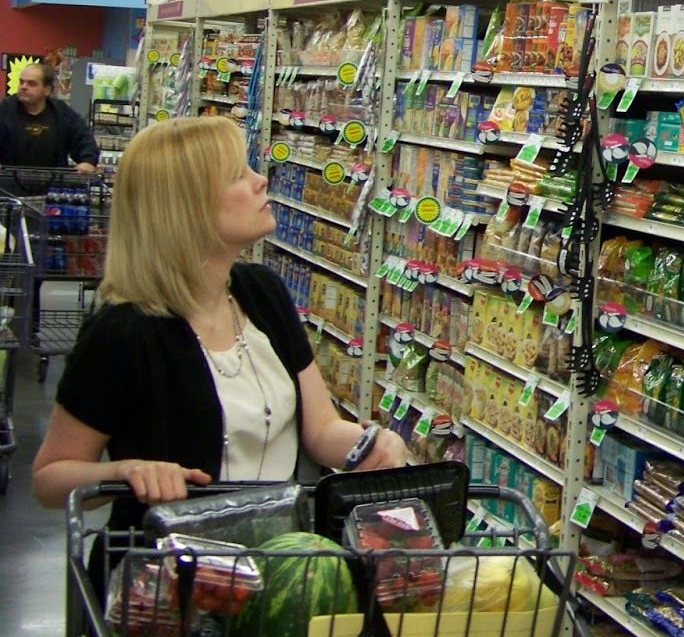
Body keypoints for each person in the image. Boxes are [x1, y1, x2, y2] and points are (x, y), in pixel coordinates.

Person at [33, 116, 405, 520]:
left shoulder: (263, 292)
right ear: (186, 206)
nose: (260, 180)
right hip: (172, 566)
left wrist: (370, 444)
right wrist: (124, 471)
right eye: (236, 175)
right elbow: (50, 479)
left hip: (276, 555)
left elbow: (320, 430)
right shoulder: (122, 331)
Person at [0, 62, 100, 175]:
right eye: (21, 82)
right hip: (9, 185)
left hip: (54, 185)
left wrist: (88, 161)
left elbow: (84, 138)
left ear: (47, 90)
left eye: (31, 84)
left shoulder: (62, 112)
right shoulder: (5, 109)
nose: (23, 87)